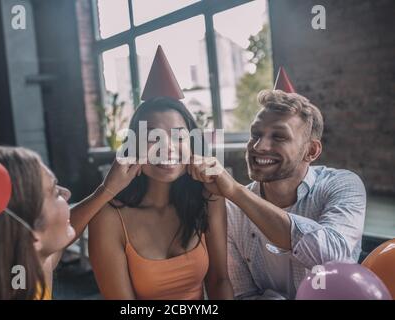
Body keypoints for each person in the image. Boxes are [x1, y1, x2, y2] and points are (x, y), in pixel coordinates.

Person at [188, 68, 366, 299]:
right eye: (255, 134)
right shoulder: (232, 211)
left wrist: (236, 191)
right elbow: (242, 293)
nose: (259, 146)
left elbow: (333, 257)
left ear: (311, 151)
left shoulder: (342, 185)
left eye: (279, 136)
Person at [0, 140, 140, 299]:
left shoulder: (23, 269)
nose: (67, 193)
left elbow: (58, 236)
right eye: (55, 192)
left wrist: (106, 190)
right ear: (33, 238)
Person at [89, 96, 233, 300]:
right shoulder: (108, 217)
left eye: (179, 137)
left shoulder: (209, 198)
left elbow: (219, 281)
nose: (167, 148)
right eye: (153, 138)